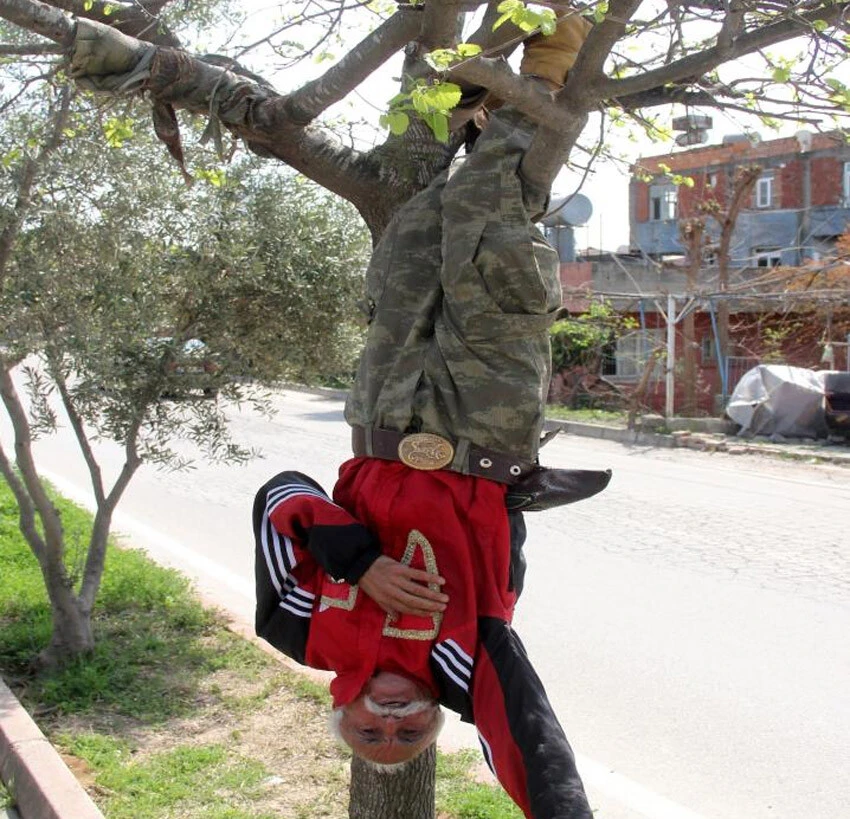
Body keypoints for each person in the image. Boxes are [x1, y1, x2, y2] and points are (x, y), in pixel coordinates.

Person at [253, 10, 609, 818]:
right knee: (487, 221)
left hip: (380, 417)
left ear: (341, 708)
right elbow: (531, 743)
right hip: (487, 423)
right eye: (407, 735)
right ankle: (550, 61)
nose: (390, 722)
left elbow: (278, 499)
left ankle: (467, 100)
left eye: (368, 732)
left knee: (412, 237)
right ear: (437, 722)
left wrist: (354, 559)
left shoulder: (303, 631)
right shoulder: (462, 665)